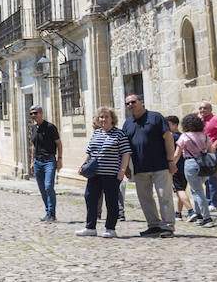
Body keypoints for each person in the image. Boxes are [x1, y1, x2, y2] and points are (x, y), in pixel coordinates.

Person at [121, 94, 177, 238]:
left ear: (141, 102)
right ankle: (153, 225)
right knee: (145, 198)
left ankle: (168, 226)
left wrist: (171, 161)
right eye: (127, 103)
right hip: (140, 167)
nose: (130, 105)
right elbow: (125, 148)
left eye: (133, 102)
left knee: (164, 195)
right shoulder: (127, 123)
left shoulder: (156, 117)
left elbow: (168, 138)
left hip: (160, 165)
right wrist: (126, 167)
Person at [75, 107, 131, 238]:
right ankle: (90, 227)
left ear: (112, 119)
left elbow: (126, 153)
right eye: (101, 117)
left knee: (111, 201)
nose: (103, 119)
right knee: (90, 198)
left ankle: (110, 228)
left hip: (111, 173)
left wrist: (122, 171)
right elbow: (89, 152)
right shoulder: (96, 133)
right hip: (94, 173)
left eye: (106, 117)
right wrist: (83, 165)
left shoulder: (119, 134)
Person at [175, 114, 215, 227]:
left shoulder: (184, 136)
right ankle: (199, 215)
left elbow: (177, 154)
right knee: (195, 189)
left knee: (198, 191)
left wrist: (171, 164)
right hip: (205, 163)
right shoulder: (205, 136)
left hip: (191, 163)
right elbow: (211, 150)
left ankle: (207, 218)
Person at [29, 105, 61, 222]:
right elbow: (34, 146)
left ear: (41, 113)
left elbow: (59, 144)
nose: (33, 116)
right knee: (42, 189)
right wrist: (32, 161)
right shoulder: (33, 128)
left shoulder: (50, 127)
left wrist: (60, 159)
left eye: (35, 113)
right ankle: (48, 212)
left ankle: (52, 214)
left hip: (49, 161)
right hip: (38, 162)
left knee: (48, 186)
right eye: (31, 114)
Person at [166, 115, 199, 223]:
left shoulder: (172, 137)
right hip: (185, 167)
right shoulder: (183, 136)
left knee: (179, 190)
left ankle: (190, 211)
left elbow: (175, 154)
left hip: (176, 168)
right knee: (181, 190)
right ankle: (178, 213)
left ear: (175, 125)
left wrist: (171, 166)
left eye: (168, 124)